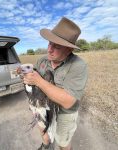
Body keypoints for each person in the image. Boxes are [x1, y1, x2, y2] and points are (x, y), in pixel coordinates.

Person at [23, 17, 88, 150]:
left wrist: (38, 81)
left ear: (69, 50)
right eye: (49, 44)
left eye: (56, 46)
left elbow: (69, 101)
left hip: (64, 113)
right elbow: (34, 80)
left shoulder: (78, 65)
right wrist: (27, 77)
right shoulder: (43, 60)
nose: (49, 50)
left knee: (63, 141)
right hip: (42, 106)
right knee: (43, 128)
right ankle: (46, 144)